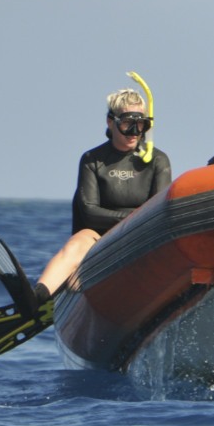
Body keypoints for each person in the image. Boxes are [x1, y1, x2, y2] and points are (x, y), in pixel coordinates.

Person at [33, 87, 172, 303]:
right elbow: (89, 212)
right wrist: (131, 217)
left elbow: (158, 212)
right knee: (78, 243)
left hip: (138, 236)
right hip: (97, 238)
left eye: (140, 125)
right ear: (110, 122)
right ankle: (37, 297)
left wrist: (133, 223)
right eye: (127, 124)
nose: (134, 132)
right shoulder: (92, 159)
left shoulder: (158, 160)